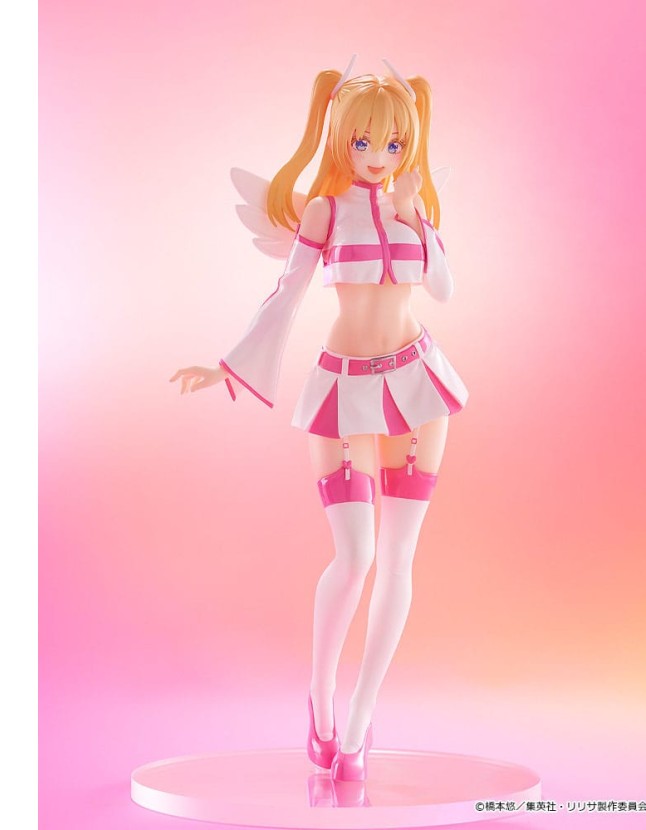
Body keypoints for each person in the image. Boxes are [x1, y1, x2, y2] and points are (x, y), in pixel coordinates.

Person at [170, 57, 468, 783]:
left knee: (398, 560)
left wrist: (413, 217)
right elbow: (287, 292)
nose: (378, 156)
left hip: (419, 384)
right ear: (340, 139)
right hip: (343, 389)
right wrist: (229, 365)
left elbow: (444, 288)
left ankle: (360, 723)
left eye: (393, 143)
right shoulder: (324, 213)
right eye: (364, 142)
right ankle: (322, 698)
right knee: (356, 556)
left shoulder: (413, 209)